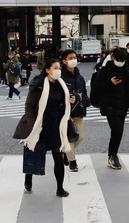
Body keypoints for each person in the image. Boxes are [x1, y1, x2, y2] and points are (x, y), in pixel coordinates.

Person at [13, 59, 74, 197]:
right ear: (47, 70)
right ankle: (29, 176)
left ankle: (60, 188)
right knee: (34, 152)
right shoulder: (38, 85)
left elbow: (65, 105)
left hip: (56, 124)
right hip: (39, 124)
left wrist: (72, 99)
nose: (58, 70)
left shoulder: (62, 85)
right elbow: (29, 106)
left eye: (59, 68)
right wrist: (33, 125)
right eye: (55, 68)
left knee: (58, 155)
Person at [92, 48, 129, 169]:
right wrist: (110, 83)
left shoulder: (126, 71)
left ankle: (112, 155)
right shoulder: (105, 70)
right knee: (117, 129)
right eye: (118, 59)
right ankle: (113, 155)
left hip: (122, 105)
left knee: (119, 131)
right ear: (113, 58)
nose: (120, 62)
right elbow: (96, 88)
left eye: (123, 60)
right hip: (109, 105)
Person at [60, 50, 90, 172]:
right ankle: (72, 161)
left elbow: (85, 94)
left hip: (78, 111)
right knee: (70, 137)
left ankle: (66, 151)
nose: (74, 60)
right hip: (65, 112)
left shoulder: (80, 77)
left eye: (75, 57)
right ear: (64, 61)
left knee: (80, 137)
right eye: (71, 58)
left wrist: (84, 99)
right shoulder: (61, 77)